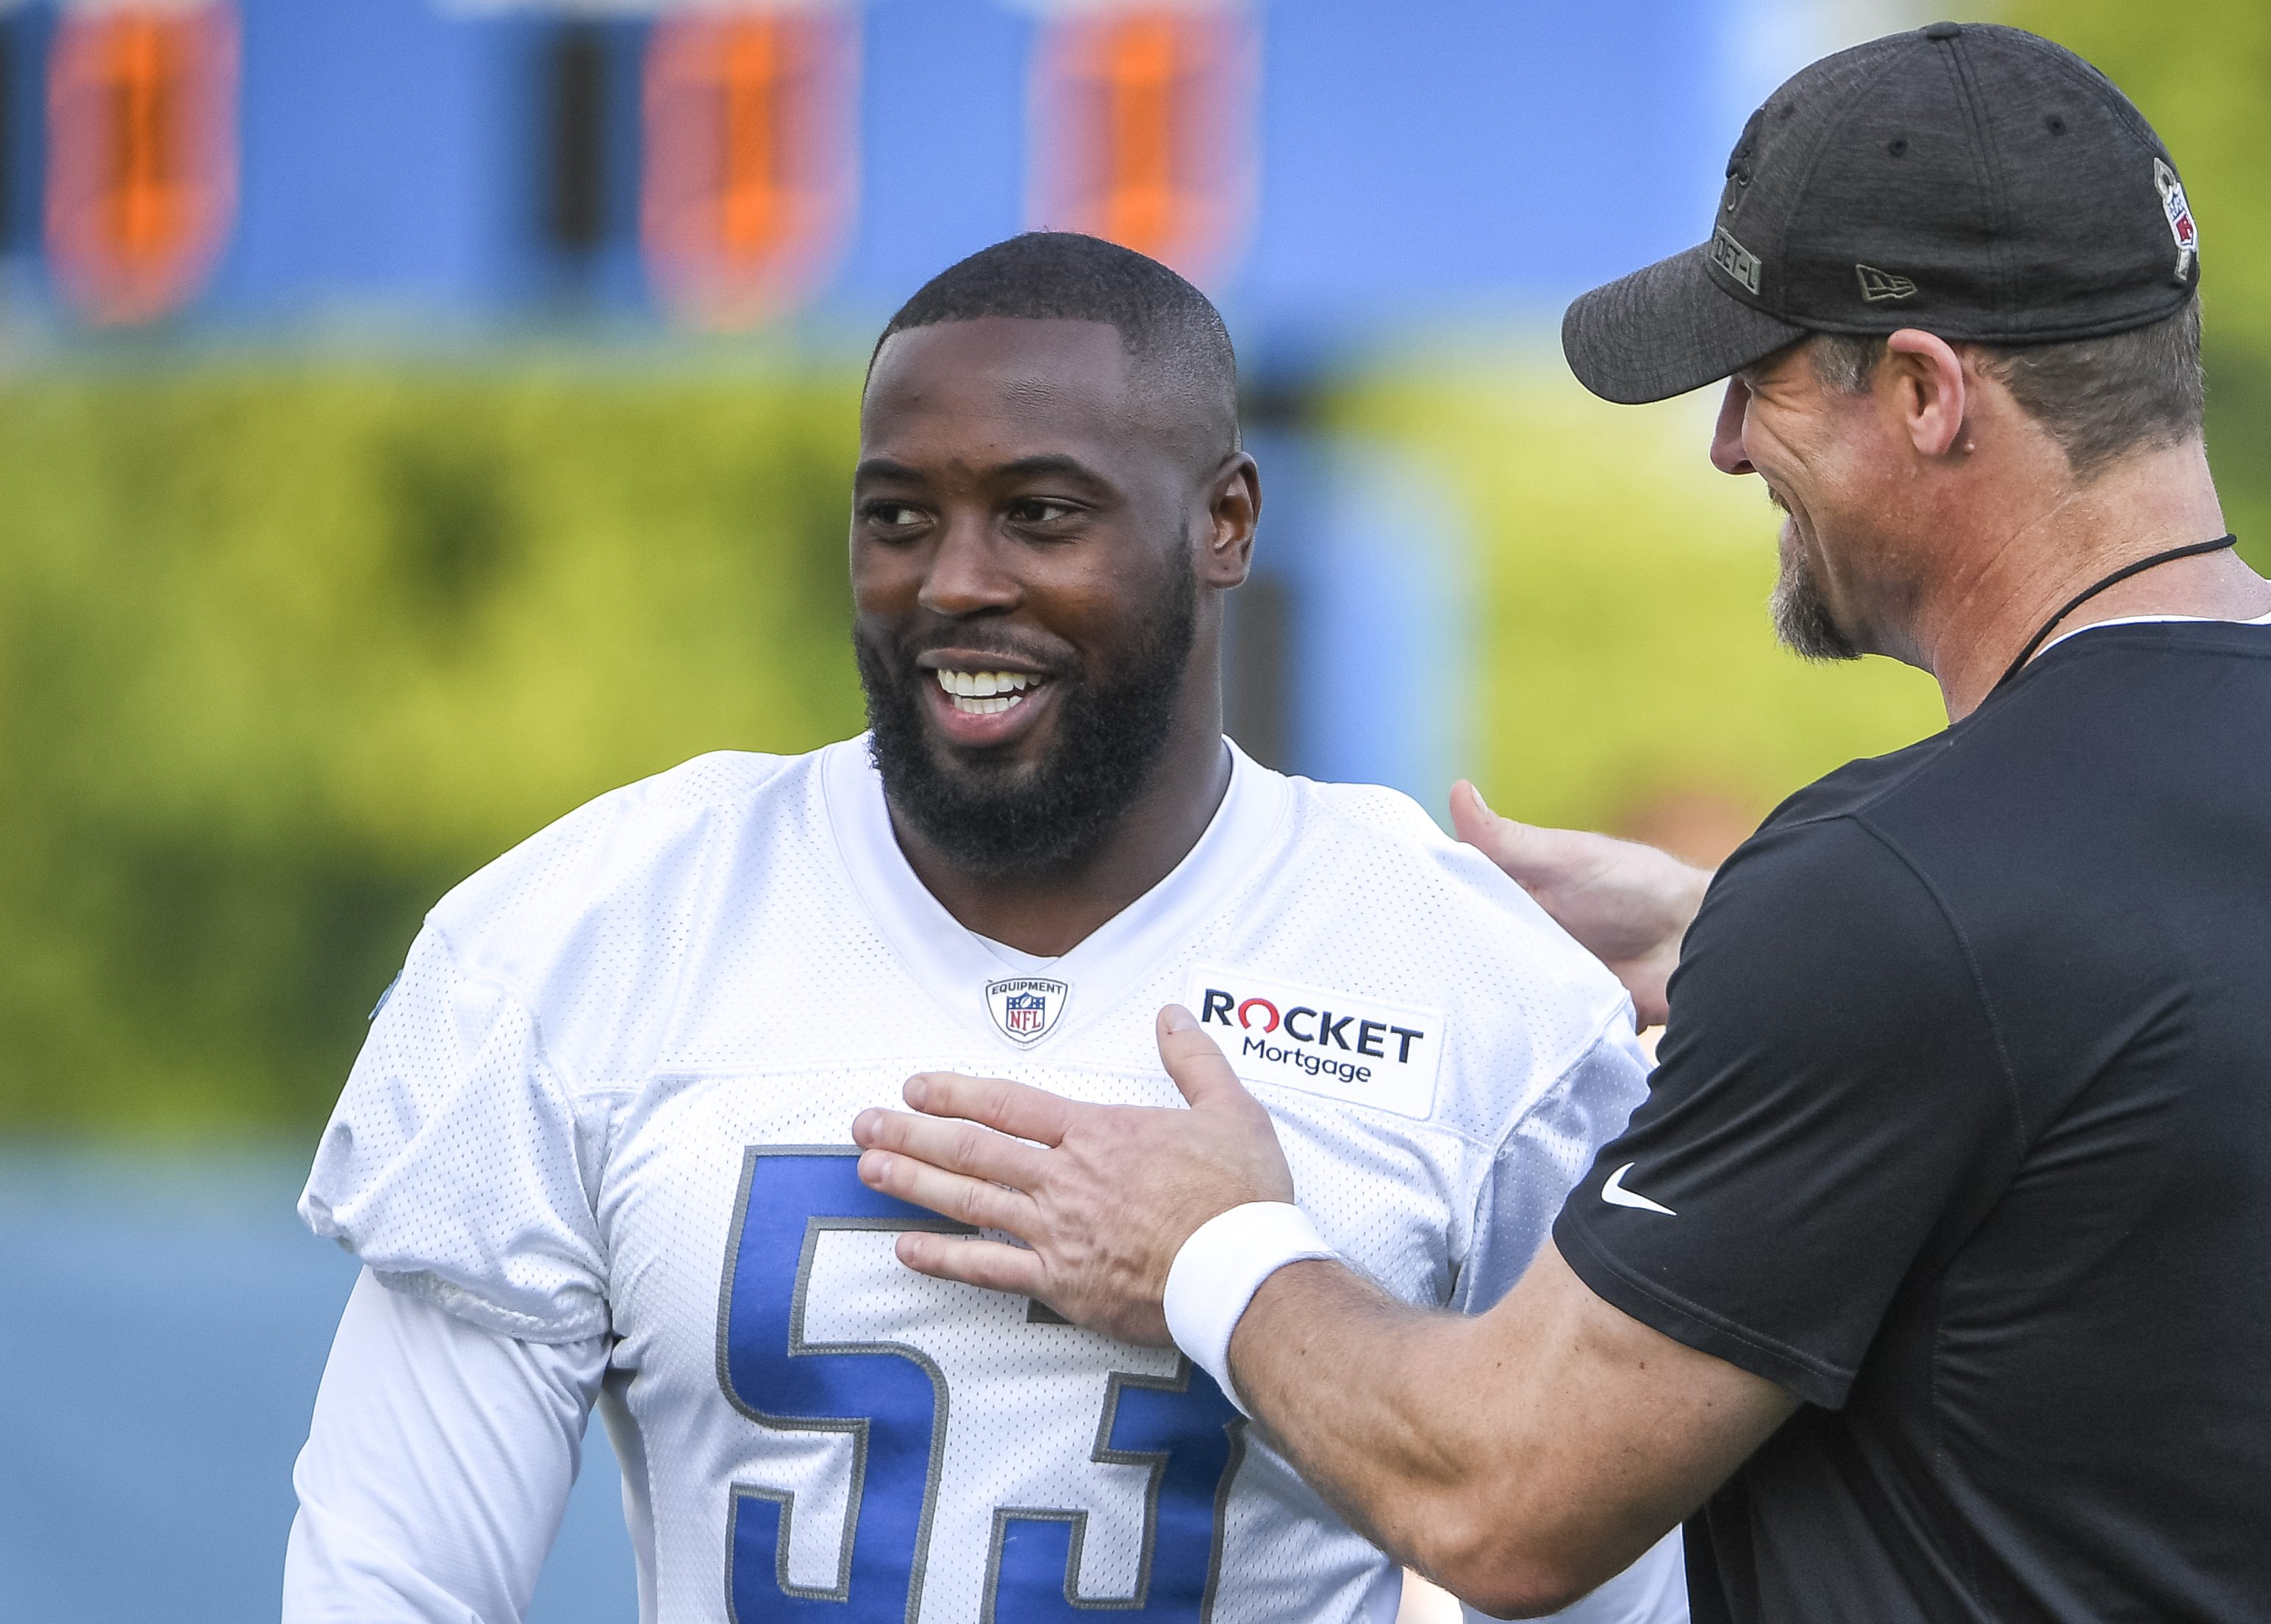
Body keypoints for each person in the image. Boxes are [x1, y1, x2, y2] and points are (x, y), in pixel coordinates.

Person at [852, 25, 2271, 1624]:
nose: (1726, 442)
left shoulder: (1904, 898)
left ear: (1923, 390)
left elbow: (1502, 1495)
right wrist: (1713, 939)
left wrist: (1206, 1247)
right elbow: (2110, 1079)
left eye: (1761, 377)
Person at [284, 232, 1683, 1624]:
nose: (955, 579)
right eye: (898, 516)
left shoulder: (1471, 981)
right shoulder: (601, 931)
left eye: (1042, 513)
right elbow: (392, 1584)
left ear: (1226, 524)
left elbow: (1600, 1584)